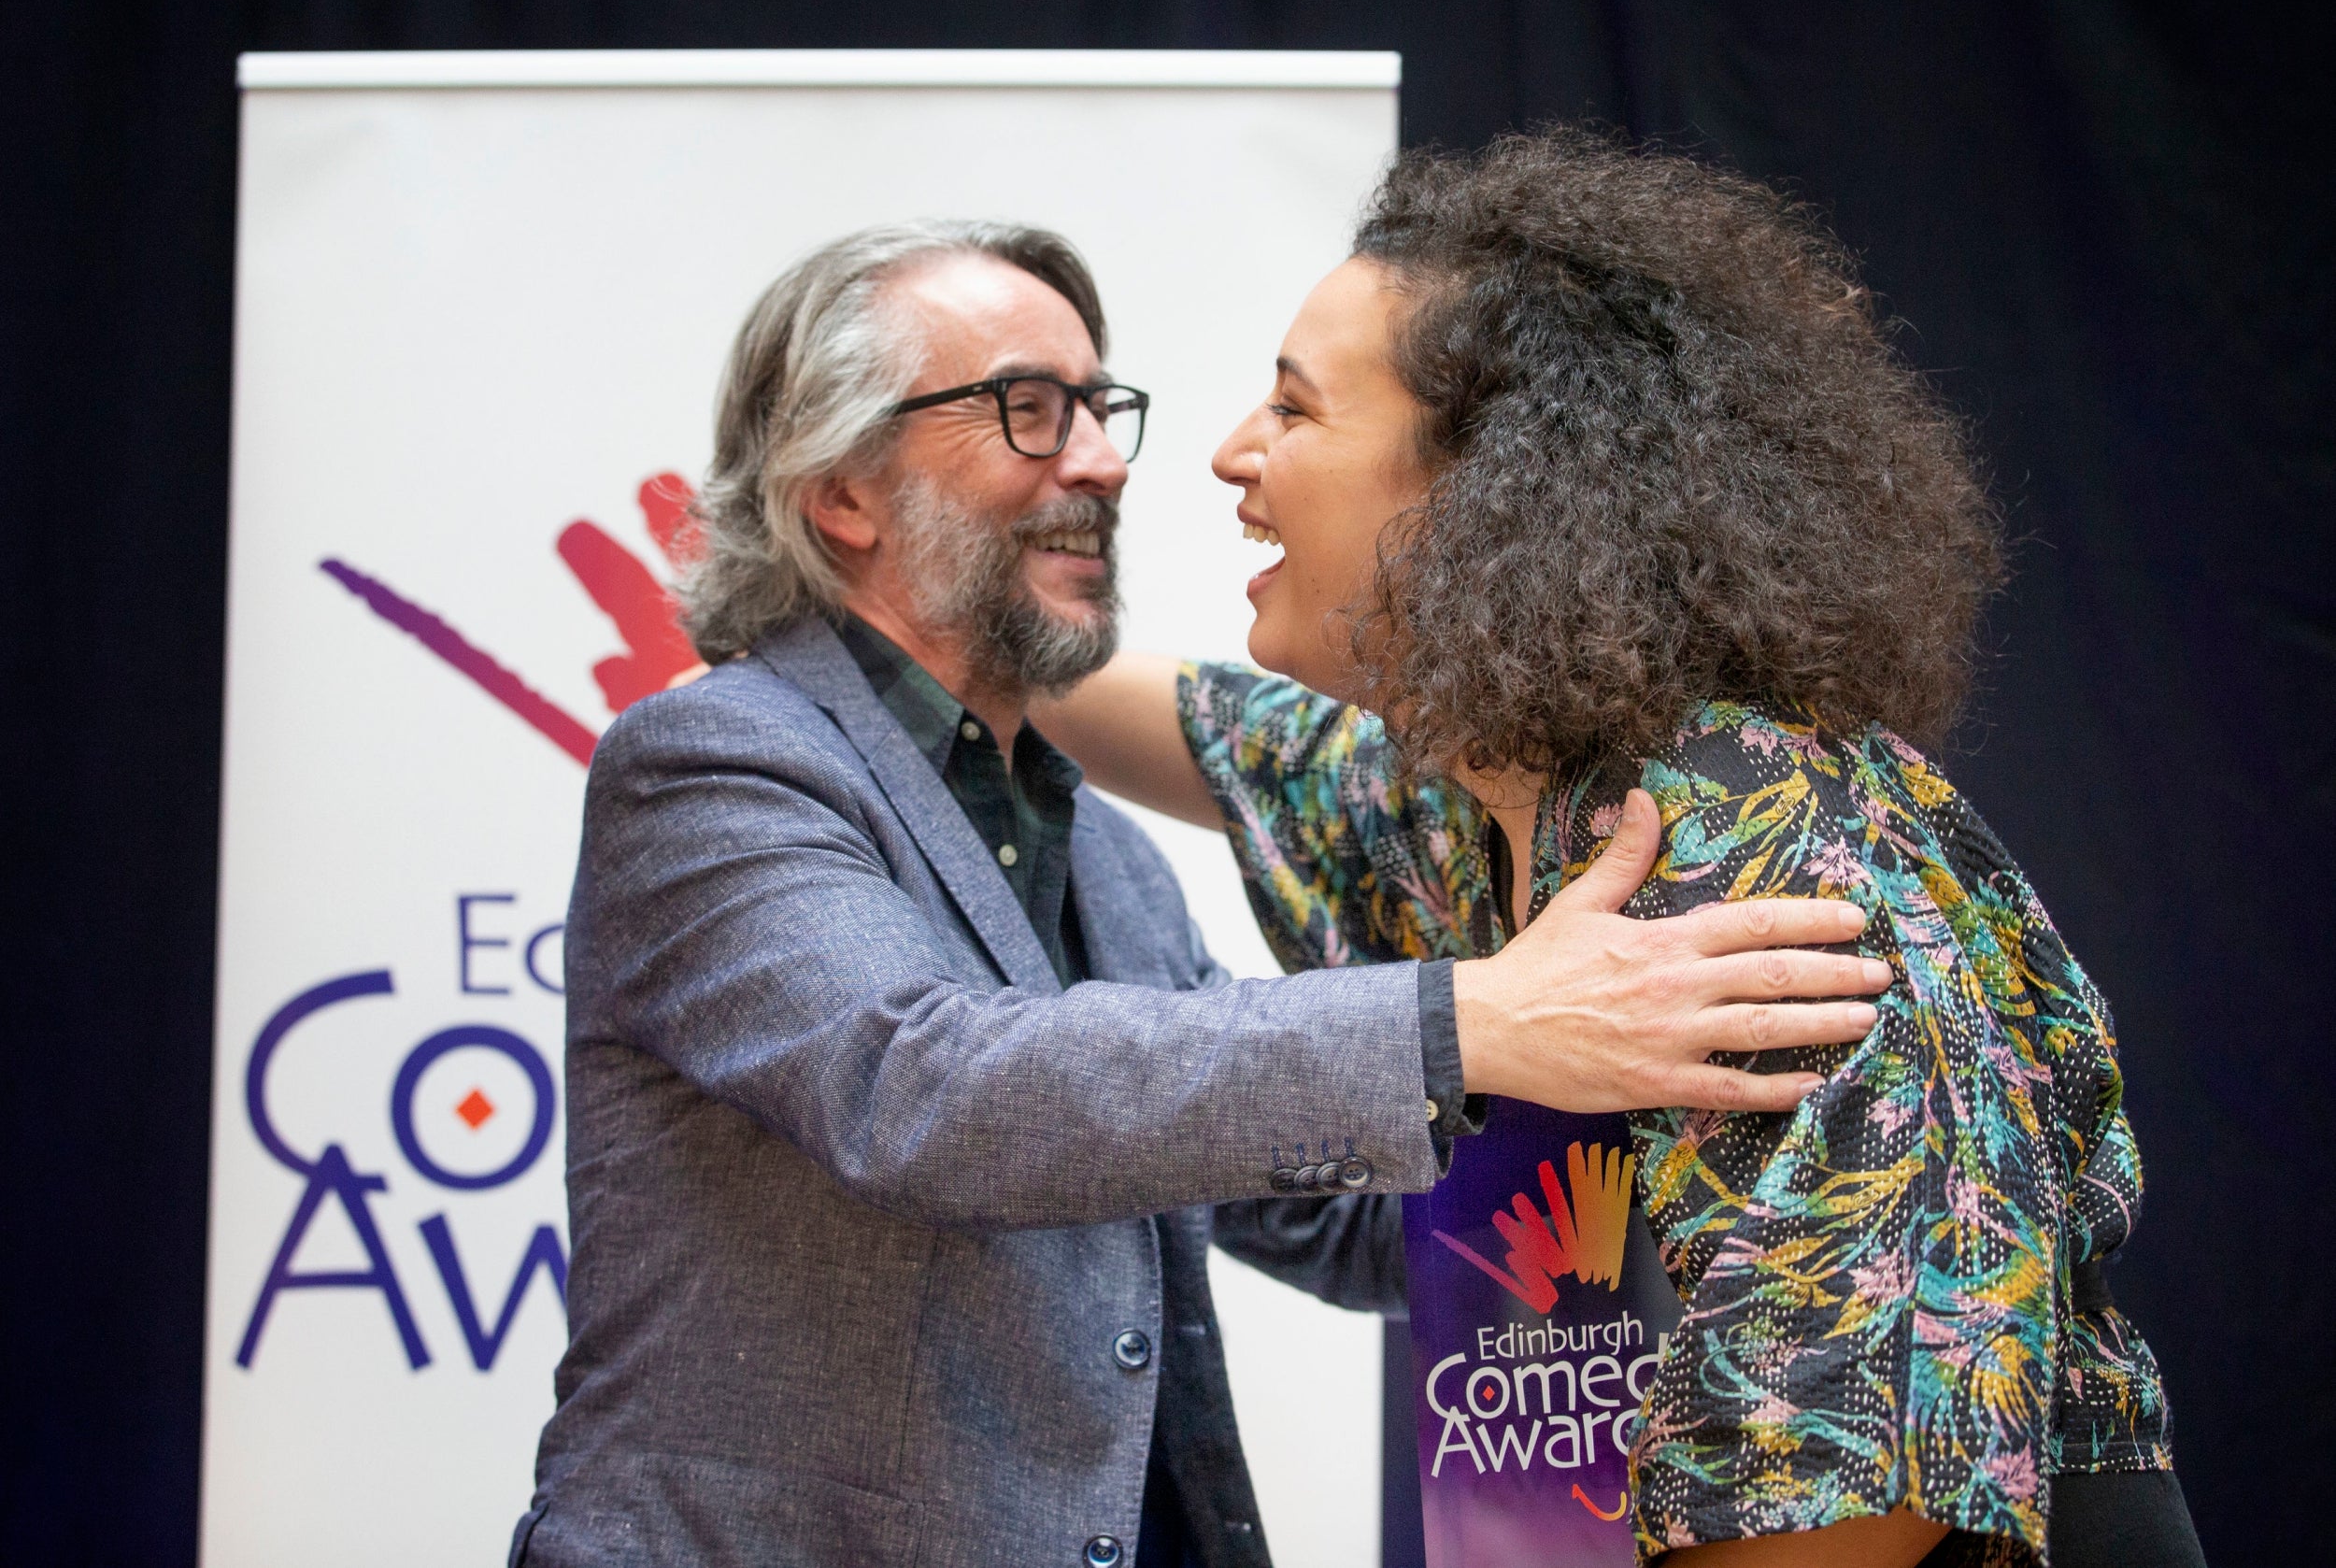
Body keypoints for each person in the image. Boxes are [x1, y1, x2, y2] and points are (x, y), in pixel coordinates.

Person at [509, 219, 1890, 1568]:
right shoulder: (717, 759)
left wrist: (1704, 1155)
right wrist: (1469, 1021)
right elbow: (923, 1089)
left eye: (1103, 408)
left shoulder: (1092, 845)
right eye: (1028, 410)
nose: (1107, 464)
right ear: (843, 493)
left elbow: (1313, 1209)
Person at [1036, 131, 2203, 1568]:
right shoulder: (1478, 796)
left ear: (1483, 486)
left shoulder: (1748, 854)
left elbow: (1838, 1510)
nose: (1229, 452)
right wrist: (882, 606)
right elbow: (1199, 729)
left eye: (1295, 408)